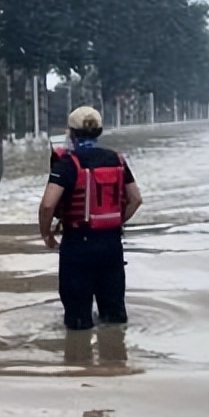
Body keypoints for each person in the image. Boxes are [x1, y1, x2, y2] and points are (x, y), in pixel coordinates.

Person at [38, 106, 143, 331]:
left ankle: (78, 361)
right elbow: (135, 199)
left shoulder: (67, 163)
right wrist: (115, 221)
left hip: (78, 245)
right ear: (99, 131)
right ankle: (115, 358)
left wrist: (46, 234)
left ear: (72, 133)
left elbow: (48, 204)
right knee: (114, 318)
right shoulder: (117, 160)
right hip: (111, 245)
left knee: (78, 321)